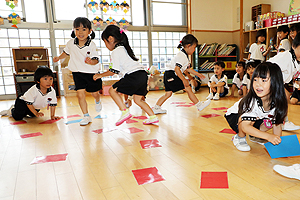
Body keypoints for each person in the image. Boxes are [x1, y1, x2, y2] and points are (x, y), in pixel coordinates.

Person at [93, 25, 158, 126]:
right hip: (142, 74)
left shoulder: (116, 51)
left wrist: (100, 75)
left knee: (112, 90)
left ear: (110, 39)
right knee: (138, 100)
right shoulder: (124, 48)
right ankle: (153, 117)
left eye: (105, 42)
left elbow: (114, 70)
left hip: (133, 75)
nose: (106, 45)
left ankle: (124, 111)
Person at [225, 62, 288, 151]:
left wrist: (277, 142)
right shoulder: (252, 101)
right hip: (235, 115)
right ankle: (240, 137)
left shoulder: (277, 102)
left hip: (256, 118)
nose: (258, 84)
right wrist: (268, 136)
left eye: (263, 80)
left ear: (275, 82)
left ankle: (255, 136)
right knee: (243, 122)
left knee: (272, 121)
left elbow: (277, 125)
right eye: (255, 80)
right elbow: (245, 126)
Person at [53, 17, 102, 126]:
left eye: (84, 29)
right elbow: (66, 53)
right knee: (80, 94)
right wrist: (58, 58)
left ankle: (98, 100)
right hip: (77, 72)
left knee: (94, 93)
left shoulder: (92, 44)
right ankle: (86, 116)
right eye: (77, 29)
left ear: (90, 31)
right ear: (74, 30)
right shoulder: (71, 43)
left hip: (91, 73)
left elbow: (96, 60)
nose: (80, 32)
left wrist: (91, 62)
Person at [152, 34, 210, 114]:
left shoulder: (184, 56)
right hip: (171, 74)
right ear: (189, 46)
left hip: (168, 74)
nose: (194, 50)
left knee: (168, 94)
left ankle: (156, 108)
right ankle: (199, 105)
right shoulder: (182, 56)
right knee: (188, 88)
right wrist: (184, 80)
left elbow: (188, 69)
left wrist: (198, 74)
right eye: (194, 48)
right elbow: (177, 69)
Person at [268, 33, 300, 131]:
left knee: (282, 98)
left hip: (276, 80)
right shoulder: (286, 57)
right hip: (266, 76)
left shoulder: (297, 61)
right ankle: (284, 122)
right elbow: (270, 67)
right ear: (294, 46)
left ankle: (283, 121)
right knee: (284, 96)